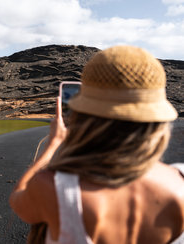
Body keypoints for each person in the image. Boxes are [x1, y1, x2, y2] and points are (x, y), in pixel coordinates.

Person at [9, 45, 184, 244]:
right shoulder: (180, 181)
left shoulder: (54, 188)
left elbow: (17, 200)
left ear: (84, 114)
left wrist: (54, 143)